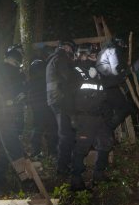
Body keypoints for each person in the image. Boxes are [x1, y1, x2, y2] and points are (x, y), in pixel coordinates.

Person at [70, 44, 114, 191]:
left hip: (98, 116)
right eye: (93, 56)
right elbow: (68, 96)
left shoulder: (96, 72)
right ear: (83, 55)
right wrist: (72, 116)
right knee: (82, 148)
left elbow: (104, 91)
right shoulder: (74, 71)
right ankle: (76, 179)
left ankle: (99, 174)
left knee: (106, 142)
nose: (96, 59)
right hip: (84, 117)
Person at [0, 48, 27, 184]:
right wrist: (6, 103)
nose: (16, 63)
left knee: (5, 146)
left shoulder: (15, 73)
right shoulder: (0, 71)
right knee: (12, 145)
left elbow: (20, 90)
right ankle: (24, 176)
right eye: (15, 61)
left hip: (12, 114)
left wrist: (20, 97)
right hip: (4, 115)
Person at [46, 39, 77, 175]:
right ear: (65, 48)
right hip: (61, 100)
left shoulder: (53, 59)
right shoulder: (61, 58)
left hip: (56, 99)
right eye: (70, 49)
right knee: (66, 134)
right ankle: (62, 167)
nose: (71, 52)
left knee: (67, 133)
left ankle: (64, 163)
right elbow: (69, 77)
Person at [96, 36, 133, 130]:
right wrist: (126, 72)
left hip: (103, 88)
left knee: (108, 114)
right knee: (126, 108)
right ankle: (108, 128)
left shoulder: (103, 52)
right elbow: (115, 70)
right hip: (110, 86)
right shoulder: (112, 51)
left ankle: (106, 135)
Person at [28, 56, 58, 159]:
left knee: (37, 127)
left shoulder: (33, 69)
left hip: (37, 103)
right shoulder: (47, 68)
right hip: (46, 102)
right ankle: (52, 152)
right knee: (52, 127)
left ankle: (36, 151)